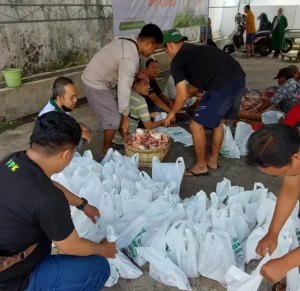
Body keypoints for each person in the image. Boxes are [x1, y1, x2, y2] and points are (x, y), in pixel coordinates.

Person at [0, 112, 117, 291]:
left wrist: (82, 204)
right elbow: (73, 247)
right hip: (10, 284)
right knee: (99, 269)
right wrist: (105, 250)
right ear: (66, 155)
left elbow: (48, 184)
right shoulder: (50, 200)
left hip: (11, 251)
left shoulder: (13, 160)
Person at [163, 29, 245, 177]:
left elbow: (181, 96)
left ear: (168, 45)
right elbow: (202, 76)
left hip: (222, 84)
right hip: (238, 78)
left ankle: (201, 165)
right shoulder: (196, 49)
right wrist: (192, 92)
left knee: (195, 125)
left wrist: (172, 113)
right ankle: (212, 160)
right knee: (218, 121)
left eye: (165, 50)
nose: (167, 54)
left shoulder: (177, 61)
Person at [82, 24, 163, 155]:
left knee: (119, 112)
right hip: (96, 83)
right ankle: (106, 150)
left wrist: (136, 74)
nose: (154, 51)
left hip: (105, 80)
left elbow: (122, 68)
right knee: (114, 119)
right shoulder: (131, 58)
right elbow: (124, 89)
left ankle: (125, 142)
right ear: (149, 44)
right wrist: (125, 116)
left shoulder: (131, 42)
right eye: (155, 47)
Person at [246, 124, 300, 291]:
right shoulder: (294, 141)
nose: (281, 178)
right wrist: (272, 233)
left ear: (296, 157)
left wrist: (286, 263)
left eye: (280, 173)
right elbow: (291, 188)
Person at [39, 76, 92, 147]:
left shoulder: (59, 105)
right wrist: (78, 132)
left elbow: (67, 122)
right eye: (71, 97)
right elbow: (55, 137)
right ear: (60, 99)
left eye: (75, 96)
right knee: (79, 137)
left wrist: (78, 128)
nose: (75, 100)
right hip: (51, 149)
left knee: (85, 128)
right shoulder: (49, 116)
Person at [113, 78, 166, 146]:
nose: (149, 87)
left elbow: (133, 112)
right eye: (145, 84)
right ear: (136, 85)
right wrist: (162, 122)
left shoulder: (128, 93)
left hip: (114, 138)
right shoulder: (140, 101)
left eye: (149, 84)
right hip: (124, 142)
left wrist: (149, 115)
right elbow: (149, 126)